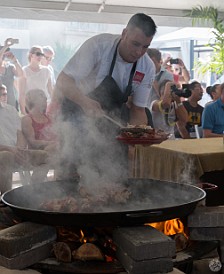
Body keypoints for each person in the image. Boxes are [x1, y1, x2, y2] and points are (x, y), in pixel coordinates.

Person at [55, 13, 157, 180]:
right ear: (124, 33)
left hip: (111, 119)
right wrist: (85, 102)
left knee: (112, 171)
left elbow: (138, 110)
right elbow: (63, 81)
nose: (139, 52)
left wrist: (135, 139)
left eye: (145, 46)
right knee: (72, 171)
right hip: (77, 111)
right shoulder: (98, 46)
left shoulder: (147, 67)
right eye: (135, 44)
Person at [0, 85, 49, 195]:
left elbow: (20, 134)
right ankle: (6, 198)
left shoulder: (10, 110)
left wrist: (20, 150)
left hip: (16, 151)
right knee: (6, 156)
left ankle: (32, 193)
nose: (3, 96)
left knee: (45, 156)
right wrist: (11, 149)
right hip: (4, 152)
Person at [18, 45, 53, 115]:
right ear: (31, 55)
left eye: (42, 54)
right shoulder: (24, 71)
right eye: (38, 54)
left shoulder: (47, 70)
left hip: (44, 106)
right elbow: (21, 93)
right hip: (30, 106)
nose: (40, 57)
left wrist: (53, 107)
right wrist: (22, 111)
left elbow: (51, 91)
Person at [146, 48, 174, 125]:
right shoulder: (143, 73)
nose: (150, 64)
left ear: (159, 61)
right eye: (147, 62)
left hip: (160, 116)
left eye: (152, 62)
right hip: (144, 114)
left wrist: (154, 83)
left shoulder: (167, 75)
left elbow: (166, 100)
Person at [0, 38, 24, 110]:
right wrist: (5, 47)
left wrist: (14, 60)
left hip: (11, 103)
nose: (3, 55)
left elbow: (20, 74)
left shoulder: (10, 67)